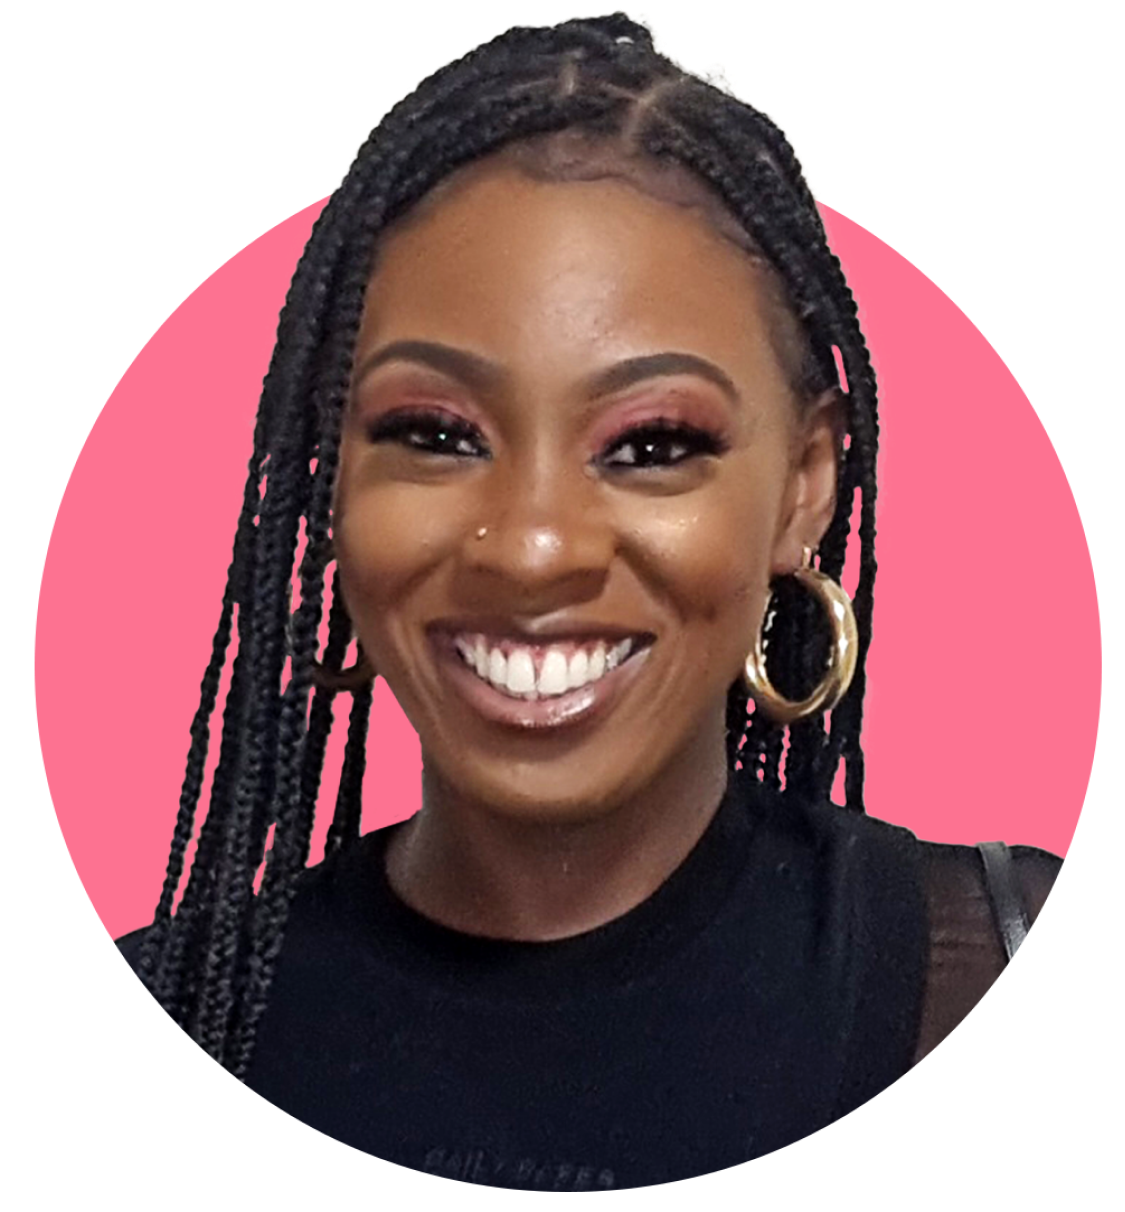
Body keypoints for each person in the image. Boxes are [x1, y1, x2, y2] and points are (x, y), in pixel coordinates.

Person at [113, 10, 1063, 1189]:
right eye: (434, 434)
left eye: (653, 444)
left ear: (801, 489)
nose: (531, 549)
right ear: (332, 476)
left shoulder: (983, 961)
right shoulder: (181, 1000)